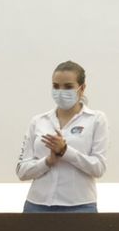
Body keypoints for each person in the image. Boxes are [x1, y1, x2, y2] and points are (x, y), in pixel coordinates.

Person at [16, 61, 108, 213]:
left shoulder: (96, 119)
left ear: (82, 88)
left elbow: (98, 168)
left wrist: (65, 151)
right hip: (37, 205)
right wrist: (48, 161)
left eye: (68, 86)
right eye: (56, 86)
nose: (61, 91)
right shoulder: (38, 121)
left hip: (79, 206)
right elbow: (22, 171)